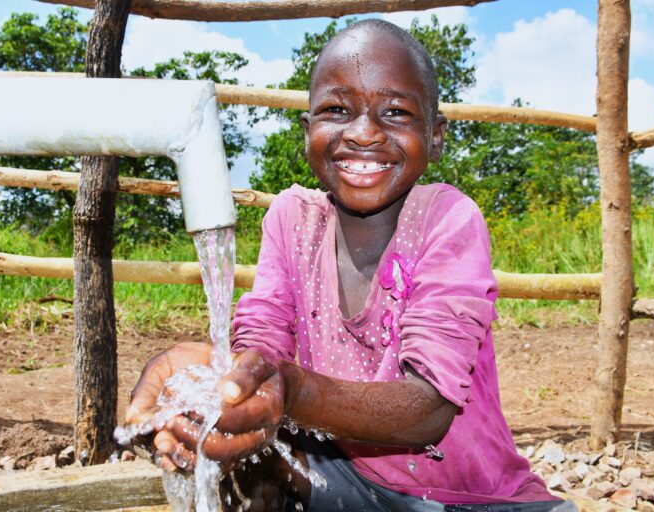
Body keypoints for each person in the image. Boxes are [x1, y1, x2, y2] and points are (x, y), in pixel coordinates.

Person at [126, 19, 577, 512]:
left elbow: (428, 409)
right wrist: (207, 387)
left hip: (467, 497)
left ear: (437, 135)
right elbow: (262, 342)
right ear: (308, 130)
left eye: (396, 112)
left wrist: (289, 389)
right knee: (239, 449)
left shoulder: (448, 219)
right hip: (336, 474)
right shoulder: (292, 219)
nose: (363, 133)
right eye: (337, 109)